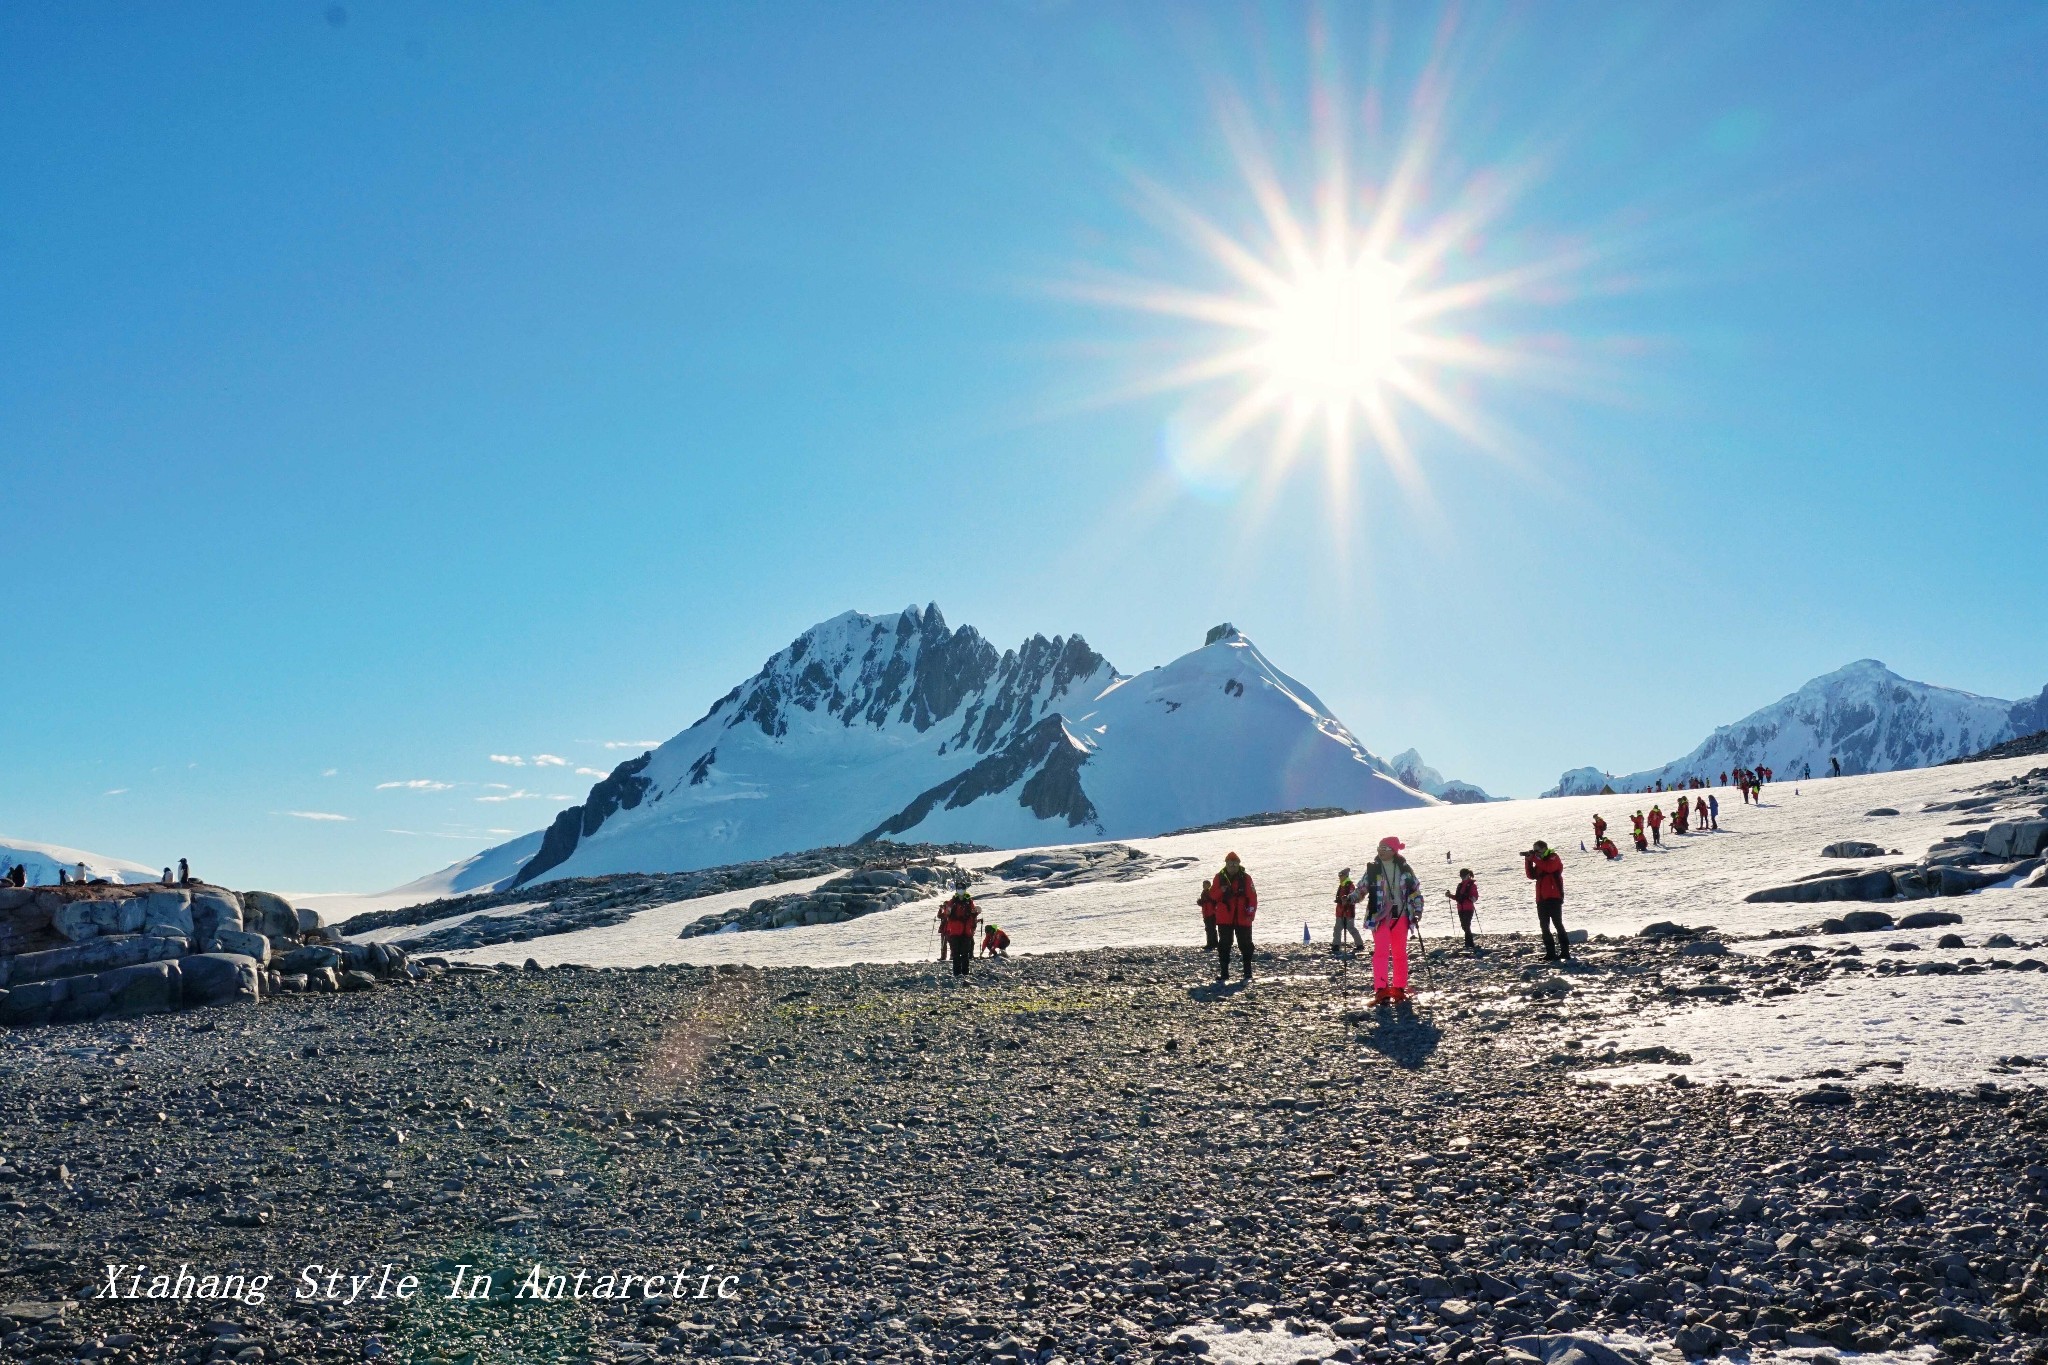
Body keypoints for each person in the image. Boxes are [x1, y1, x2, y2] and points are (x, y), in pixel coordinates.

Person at [1364, 836, 1422, 1004]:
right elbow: (1361, 889)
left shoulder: (1405, 869)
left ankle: (1399, 988)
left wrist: (1417, 911)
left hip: (1401, 916)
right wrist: (1349, 899)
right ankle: (1381, 990)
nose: (1381, 851)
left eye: (1385, 848)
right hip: (1380, 917)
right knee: (1381, 952)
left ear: (1394, 851)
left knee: (1399, 953)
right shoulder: (1373, 869)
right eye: (1379, 848)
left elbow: (1415, 892)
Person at [1211, 852, 1257, 983]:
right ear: (1226, 864)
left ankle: (1247, 972)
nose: (1232, 866)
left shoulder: (1246, 878)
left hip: (1243, 918)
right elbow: (1213, 896)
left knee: (1246, 944)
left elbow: (1252, 898)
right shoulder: (1219, 878)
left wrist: (1250, 915)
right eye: (1230, 863)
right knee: (1224, 945)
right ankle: (1224, 973)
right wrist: (1221, 890)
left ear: (1239, 864)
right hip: (1224, 918)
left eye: (1235, 863)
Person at [1523, 840, 1570, 961]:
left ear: (1544, 848)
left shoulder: (1553, 857)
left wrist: (1534, 858)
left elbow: (1549, 868)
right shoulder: (1539, 861)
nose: (1536, 853)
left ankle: (1565, 952)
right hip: (1541, 899)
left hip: (1554, 897)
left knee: (1558, 924)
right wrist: (1528, 861)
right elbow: (1531, 875)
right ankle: (1550, 953)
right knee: (1544, 926)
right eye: (1534, 851)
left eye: (1537, 850)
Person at [937, 887, 979, 977]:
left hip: (958, 931)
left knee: (961, 953)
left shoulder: (965, 902)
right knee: (959, 953)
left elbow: (945, 914)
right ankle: (962, 973)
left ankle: (960, 973)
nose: (961, 890)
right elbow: (973, 914)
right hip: (959, 932)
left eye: (962, 887)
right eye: (959, 888)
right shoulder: (958, 902)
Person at [1331, 868, 1364, 957]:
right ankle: (1336, 945)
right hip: (1340, 911)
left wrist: (1346, 902)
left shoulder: (1349, 885)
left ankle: (1359, 944)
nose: (1340, 877)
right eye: (1339, 875)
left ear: (1345, 876)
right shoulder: (1342, 885)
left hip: (1348, 911)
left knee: (1350, 928)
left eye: (1341, 875)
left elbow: (1352, 898)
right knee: (1337, 928)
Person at [1445, 867, 1480, 951]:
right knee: (1464, 926)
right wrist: (1449, 895)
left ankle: (1469, 944)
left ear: (1468, 875)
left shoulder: (1472, 885)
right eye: (1461, 876)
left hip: (1468, 908)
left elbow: (1475, 896)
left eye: (1463, 875)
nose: (1462, 877)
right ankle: (1469, 944)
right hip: (1460, 908)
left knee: (1466, 925)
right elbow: (1458, 897)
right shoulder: (1460, 885)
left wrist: (1472, 898)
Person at [1197, 878, 1220, 951]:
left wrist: (1203, 901)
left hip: (1211, 913)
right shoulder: (1204, 892)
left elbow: (1213, 901)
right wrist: (1201, 902)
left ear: (1209, 885)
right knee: (1210, 928)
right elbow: (1205, 903)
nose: (1203, 886)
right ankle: (1213, 943)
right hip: (1206, 913)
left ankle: (1211, 943)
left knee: (1210, 928)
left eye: (1205, 885)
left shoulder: (1210, 892)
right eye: (1203, 885)